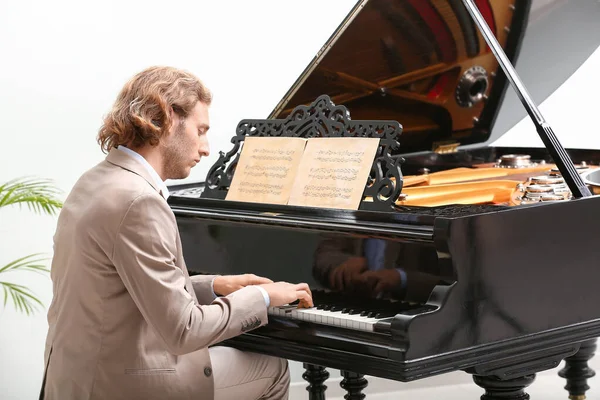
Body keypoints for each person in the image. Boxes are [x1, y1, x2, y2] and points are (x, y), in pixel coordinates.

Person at [41, 66, 313, 400]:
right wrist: (264, 298)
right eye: (200, 130)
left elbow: (127, 292)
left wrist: (215, 287)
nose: (206, 148)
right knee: (272, 369)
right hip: (119, 385)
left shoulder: (95, 181)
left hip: (74, 377)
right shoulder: (139, 201)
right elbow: (184, 331)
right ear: (170, 118)